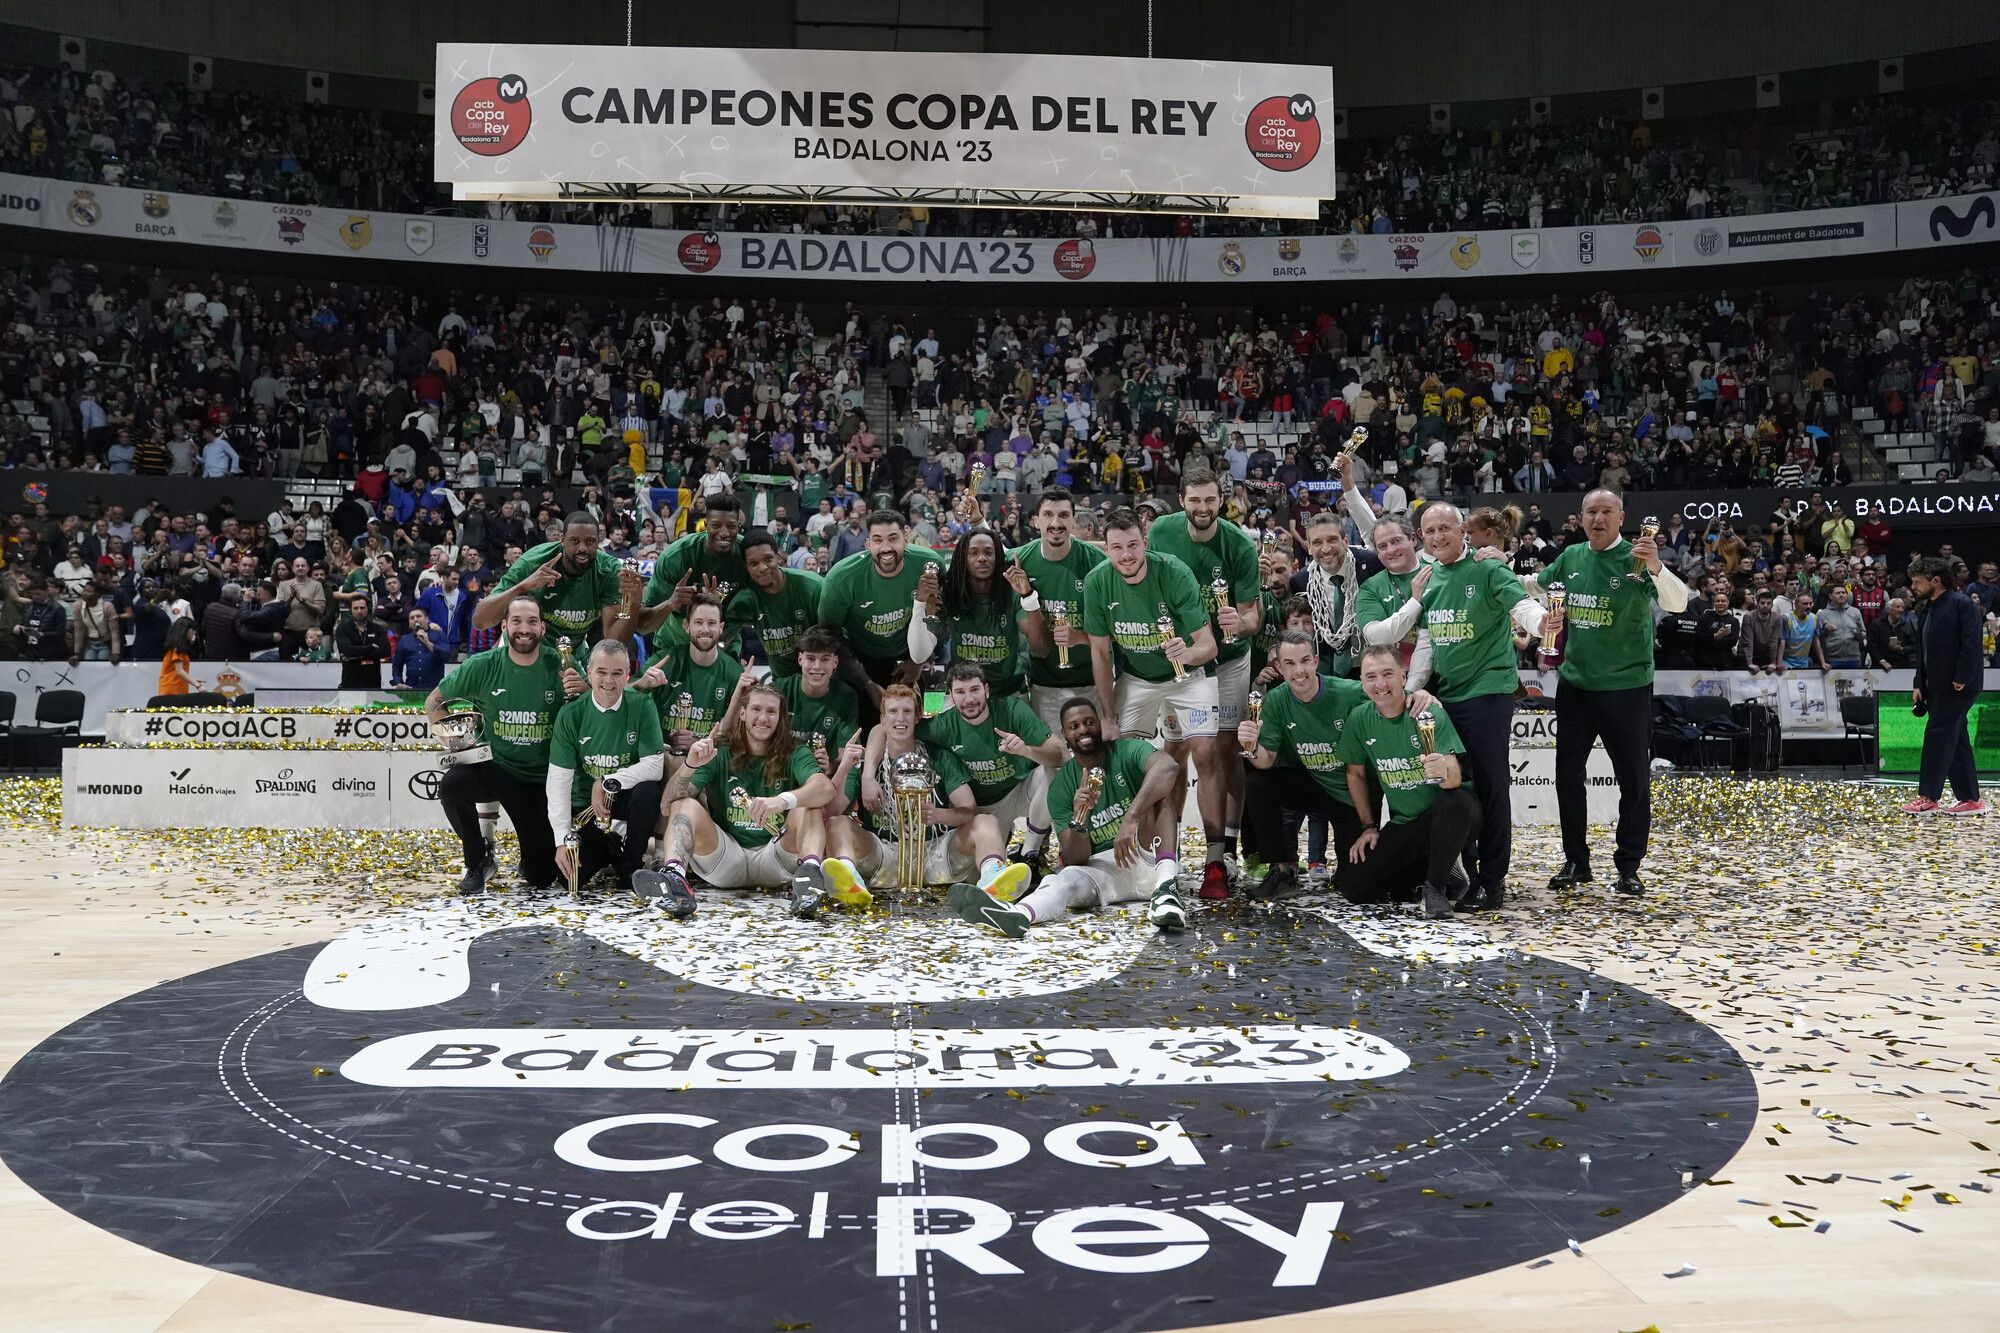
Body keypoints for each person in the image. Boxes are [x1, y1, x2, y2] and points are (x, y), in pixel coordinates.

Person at [1536, 490, 1689, 898]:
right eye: (1591, 512)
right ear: (1580, 518)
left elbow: (1678, 603)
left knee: (1633, 781)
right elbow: (1538, 589)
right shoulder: (1570, 557)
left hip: (1627, 688)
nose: (1598, 518)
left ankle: (1628, 866)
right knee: (1567, 778)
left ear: (1621, 517)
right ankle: (1576, 861)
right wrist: (1503, 571)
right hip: (1576, 686)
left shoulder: (1638, 559)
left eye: (1606, 511)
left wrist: (1656, 565)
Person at [948, 696, 1188, 937]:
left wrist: (1131, 817)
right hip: (1105, 872)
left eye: (1089, 722)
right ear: (1064, 734)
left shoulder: (1127, 750)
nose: (1083, 729)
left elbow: (1168, 767)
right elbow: (1076, 858)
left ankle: (1167, 891)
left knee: (1160, 796)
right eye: (1074, 726)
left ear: (1100, 725)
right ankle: (1017, 914)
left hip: (1147, 858)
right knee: (1063, 879)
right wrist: (1080, 816)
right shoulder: (1062, 786)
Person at [1410, 502, 1546, 909]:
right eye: (1429, 531)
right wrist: (1412, 687)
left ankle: (1493, 879)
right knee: (1458, 787)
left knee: (1490, 785)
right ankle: (1465, 871)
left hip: (1487, 693)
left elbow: (1521, 606)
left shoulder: (1489, 568)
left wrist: (1543, 623)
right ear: (1422, 537)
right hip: (1446, 696)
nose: (1437, 537)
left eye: (1444, 529)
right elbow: (1428, 642)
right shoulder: (1428, 580)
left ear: (1462, 530)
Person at [1145, 467, 1262, 896]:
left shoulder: (1238, 543)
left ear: (1221, 500)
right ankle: (1168, 856)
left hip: (1228, 658)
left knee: (1224, 750)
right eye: (1194, 500)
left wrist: (1241, 622)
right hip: (1182, 662)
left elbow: (1253, 614)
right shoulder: (1160, 532)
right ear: (1181, 501)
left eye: (1210, 500)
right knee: (1176, 752)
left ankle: (1223, 851)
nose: (1202, 508)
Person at [1081, 506, 1214, 871]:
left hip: (1186, 676)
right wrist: (1108, 715)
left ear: (1145, 542)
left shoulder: (1173, 572)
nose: (1126, 555)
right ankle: (1136, 850)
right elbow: (1099, 651)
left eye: (1133, 545)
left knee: (1204, 751)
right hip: (1137, 678)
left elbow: (1209, 645)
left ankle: (1218, 856)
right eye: (1117, 547)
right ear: (1105, 549)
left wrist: (1187, 653)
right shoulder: (1097, 581)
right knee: (1124, 758)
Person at [425, 596, 586, 896]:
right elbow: (433, 701)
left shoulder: (561, 664)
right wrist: (454, 739)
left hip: (542, 779)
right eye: (517, 621)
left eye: (531, 622)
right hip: (499, 768)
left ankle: (530, 860)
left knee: (540, 877)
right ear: (504, 626)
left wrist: (585, 690)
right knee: (452, 785)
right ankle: (478, 860)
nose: (524, 629)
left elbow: (591, 709)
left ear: (542, 627)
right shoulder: (482, 666)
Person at [1237, 631, 1411, 901]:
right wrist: (1250, 747)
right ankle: (1281, 872)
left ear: (1316, 661)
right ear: (1280, 668)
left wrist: (1422, 697)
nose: (1299, 671)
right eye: (1290, 664)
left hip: (1353, 797)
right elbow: (1266, 759)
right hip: (1316, 786)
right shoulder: (1276, 700)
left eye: (1305, 660)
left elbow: (1394, 696)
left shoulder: (1349, 692)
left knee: (1355, 885)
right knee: (1257, 782)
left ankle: (1410, 870)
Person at [644, 681, 836, 918]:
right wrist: (690, 764)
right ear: (743, 713)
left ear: (781, 718)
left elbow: (825, 789)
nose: (763, 718)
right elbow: (666, 805)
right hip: (726, 856)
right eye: (756, 709)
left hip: (775, 855)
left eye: (771, 711)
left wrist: (783, 800)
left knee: (810, 804)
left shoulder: (795, 752)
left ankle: (809, 879)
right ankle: (674, 879)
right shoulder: (719, 751)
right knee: (684, 804)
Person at [823, 683, 1010, 903]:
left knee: (986, 821)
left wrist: (939, 815)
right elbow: (831, 811)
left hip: (936, 853)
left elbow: (968, 810)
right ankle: (849, 882)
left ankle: (993, 881)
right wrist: (845, 766)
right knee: (837, 823)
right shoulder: (867, 765)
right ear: (883, 720)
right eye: (893, 711)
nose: (900, 719)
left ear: (917, 718)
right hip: (884, 856)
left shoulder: (938, 756)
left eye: (907, 712)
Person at [883, 661, 1063, 884]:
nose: (968, 699)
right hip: (979, 809)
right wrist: (867, 773)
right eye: (960, 692)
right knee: (980, 875)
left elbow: (1061, 755)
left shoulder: (1012, 709)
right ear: (950, 696)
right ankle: (991, 873)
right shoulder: (943, 725)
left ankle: (1030, 853)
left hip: (1017, 792)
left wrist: (1027, 750)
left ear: (986, 690)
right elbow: (886, 730)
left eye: (974, 690)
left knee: (1054, 773)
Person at [1336, 647, 1481, 919]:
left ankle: (1435, 887)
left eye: (1388, 674)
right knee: (1354, 886)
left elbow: (1454, 779)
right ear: (1363, 683)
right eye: (1371, 677)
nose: (1380, 684)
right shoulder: (1360, 719)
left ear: (1403, 677)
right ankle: (1440, 869)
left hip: (1450, 816)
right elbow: (1354, 773)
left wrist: (1442, 770)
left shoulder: (1427, 713)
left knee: (1456, 801)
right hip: (1406, 824)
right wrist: (1368, 826)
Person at [547, 640, 666, 897]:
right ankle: (609, 847)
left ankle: (631, 864)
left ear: (628, 676)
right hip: (587, 810)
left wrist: (606, 781)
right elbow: (558, 782)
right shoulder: (571, 715)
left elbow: (655, 767)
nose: (608, 681)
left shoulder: (642, 705)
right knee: (569, 879)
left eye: (616, 673)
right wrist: (562, 841)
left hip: (624, 801)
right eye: (601, 672)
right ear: (588, 673)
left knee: (649, 791)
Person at [817, 510, 949, 719]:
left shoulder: (930, 564)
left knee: (930, 719)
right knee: (871, 727)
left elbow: (941, 617)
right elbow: (829, 638)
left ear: (906, 538)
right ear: (867, 543)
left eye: (893, 538)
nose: (886, 548)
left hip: (913, 651)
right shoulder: (840, 578)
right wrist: (866, 683)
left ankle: (929, 731)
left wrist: (917, 663)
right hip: (863, 661)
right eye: (878, 540)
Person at [1012, 486, 1107, 731]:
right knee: (1054, 761)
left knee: (1095, 760)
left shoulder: (1097, 563)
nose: (1056, 523)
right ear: (1036, 521)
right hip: (1044, 685)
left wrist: (1081, 637)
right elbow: (985, 552)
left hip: (1094, 682)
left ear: (1074, 520)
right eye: (1048, 515)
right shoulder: (1020, 560)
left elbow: (1116, 630)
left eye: (1064, 515)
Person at [1901, 557, 1987, 816]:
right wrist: (1919, 683)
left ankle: (1928, 796)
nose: (1914, 587)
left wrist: (1961, 677)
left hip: (1958, 684)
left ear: (1935, 581)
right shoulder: (1927, 608)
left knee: (1938, 733)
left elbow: (1971, 644)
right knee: (1955, 737)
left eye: (1918, 582)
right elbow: (1923, 649)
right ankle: (1970, 799)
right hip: (1935, 684)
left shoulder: (1962, 604)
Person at [481, 511, 637, 648]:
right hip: (525, 647)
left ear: (598, 541)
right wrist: (522, 587)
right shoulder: (532, 562)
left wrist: (633, 603)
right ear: (562, 539)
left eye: (590, 542)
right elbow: (480, 620)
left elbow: (614, 641)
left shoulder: (609, 570)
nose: (582, 548)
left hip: (572, 652)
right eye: (574, 541)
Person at [909, 526, 1029, 700]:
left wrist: (1028, 596)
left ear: (998, 558)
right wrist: (919, 603)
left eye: (989, 553)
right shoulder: (948, 593)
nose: (982, 558)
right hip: (962, 694)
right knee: (934, 715)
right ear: (962, 559)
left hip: (1009, 693)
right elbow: (919, 654)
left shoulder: (1012, 592)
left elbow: (1038, 645)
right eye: (973, 553)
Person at [635, 595, 743, 766]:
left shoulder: (734, 673)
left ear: (721, 628)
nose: (705, 629)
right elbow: (623, 693)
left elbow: (737, 735)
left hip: (707, 761)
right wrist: (641, 684)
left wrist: (698, 743)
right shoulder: (664, 661)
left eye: (712, 623)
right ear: (686, 626)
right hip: (659, 756)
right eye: (698, 622)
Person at [635, 494, 749, 643]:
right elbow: (642, 626)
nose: (724, 533)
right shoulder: (675, 557)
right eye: (716, 525)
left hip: (724, 646)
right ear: (705, 525)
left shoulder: (748, 553)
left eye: (732, 526)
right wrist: (670, 603)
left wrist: (717, 608)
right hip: (674, 646)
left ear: (739, 526)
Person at [722, 527, 821, 678]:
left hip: (818, 677)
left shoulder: (811, 585)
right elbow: (721, 642)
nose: (762, 568)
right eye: (754, 563)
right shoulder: (745, 600)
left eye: (768, 559)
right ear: (746, 567)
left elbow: (834, 636)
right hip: (781, 682)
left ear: (778, 557)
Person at [333, 594, 393, 689]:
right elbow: (347, 650)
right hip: (350, 680)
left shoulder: (378, 628)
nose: (359, 611)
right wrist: (371, 647)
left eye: (362, 608)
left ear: (368, 609)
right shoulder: (342, 628)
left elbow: (386, 651)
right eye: (355, 608)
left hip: (373, 681)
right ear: (350, 610)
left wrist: (355, 655)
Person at [389, 608, 450, 691]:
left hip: (435, 690)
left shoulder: (439, 635)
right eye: (412, 618)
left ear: (427, 619)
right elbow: (397, 665)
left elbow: (446, 656)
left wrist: (427, 642)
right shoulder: (404, 640)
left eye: (419, 616)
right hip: (411, 689)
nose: (415, 619)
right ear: (409, 623)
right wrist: (399, 683)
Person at [1816, 585, 1867, 669]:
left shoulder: (1855, 612)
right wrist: (1825, 632)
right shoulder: (1822, 614)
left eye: (1843, 593)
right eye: (1837, 593)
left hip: (1854, 658)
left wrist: (1858, 634)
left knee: (1855, 682)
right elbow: (1817, 638)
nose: (1841, 595)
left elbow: (1864, 634)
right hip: (1832, 659)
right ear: (1830, 596)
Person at [1781, 591, 1828, 671]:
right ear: (1796, 604)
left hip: (1804, 664)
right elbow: (1781, 643)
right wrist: (1779, 663)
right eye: (1805, 604)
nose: (1809, 606)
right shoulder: (1786, 618)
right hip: (1786, 664)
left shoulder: (1814, 618)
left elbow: (1815, 641)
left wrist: (1823, 662)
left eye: (1810, 603)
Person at [1868, 597, 1916, 671]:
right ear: (1889, 609)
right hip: (1880, 668)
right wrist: (1882, 661)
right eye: (1897, 607)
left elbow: (1915, 646)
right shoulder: (1877, 624)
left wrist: (1902, 649)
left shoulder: (1907, 625)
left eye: (1902, 607)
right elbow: (1872, 645)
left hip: (1902, 668)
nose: (1901, 610)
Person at [157, 617, 199, 696]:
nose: (194, 633)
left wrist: (193, 680)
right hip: (171, 690)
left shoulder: (176, 647)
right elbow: (179, 671)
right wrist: (198, 685)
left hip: (177, 688)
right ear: (185, 630)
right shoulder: (177, 648)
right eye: (192, 630)